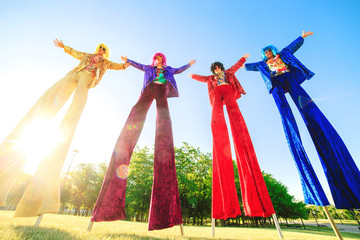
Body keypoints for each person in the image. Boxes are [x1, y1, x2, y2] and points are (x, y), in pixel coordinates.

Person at [0, 39, 129, 217]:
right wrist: (64, 48)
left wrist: (125, 65)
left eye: (103, 49)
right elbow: (76, 53)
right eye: (99, 48)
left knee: (73, 113)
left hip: (86, 78)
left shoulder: (105, 62)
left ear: (105, 53)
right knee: (48, 100)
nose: (100, 51)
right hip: (75, 74)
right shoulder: (88, 56)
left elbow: (116, 66)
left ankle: (36, 203)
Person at [245, 31, 360, 209]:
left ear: (273, 51)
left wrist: (302, 37)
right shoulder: (262, 64)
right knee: (285, 111)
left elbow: (293, 46)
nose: (268, 54)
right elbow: (249, 66)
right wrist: (239, 64)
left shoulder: (282, 54)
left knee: (305, 105)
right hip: (276, 84)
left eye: (269, 52)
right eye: (266, 53)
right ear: (264, 55)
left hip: (289, 79)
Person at [91, 53, 195, 231]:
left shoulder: (168, 69)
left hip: (162, 89)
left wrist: (189, 64)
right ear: (154, 60)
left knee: (164, 120)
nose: (159, 61)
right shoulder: (149, 68)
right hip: (149, 89)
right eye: (157, 59)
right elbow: (139, 65)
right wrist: (128, 61)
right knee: (137, 111)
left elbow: (177, 70)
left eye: (161, 58)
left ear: (164, 59)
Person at [188, 54, 275, 220]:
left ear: (221, 67)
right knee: (216, 113)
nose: (217, 70)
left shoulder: (227, 73)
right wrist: (191, 76)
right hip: (217, 95)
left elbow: (235, 68)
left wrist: (243, 59)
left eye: (218, 68)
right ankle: (218, 115)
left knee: (233, 111)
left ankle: (234, 117)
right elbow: (202, 78)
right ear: (213, 70)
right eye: (215, 69)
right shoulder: (211, 78)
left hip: (227, 91)